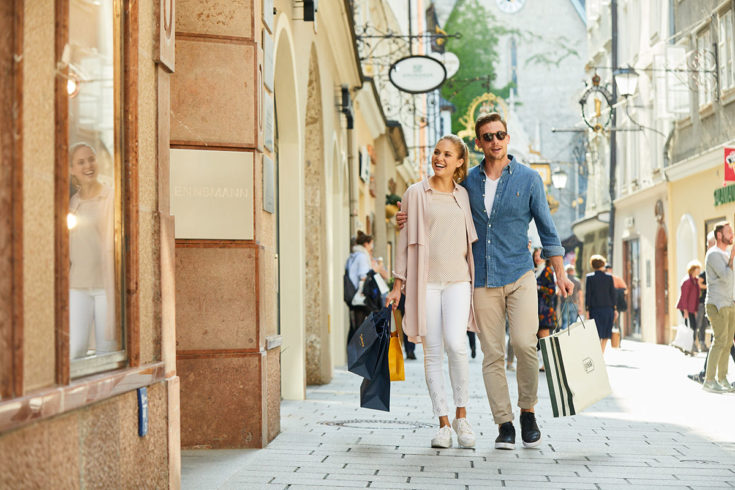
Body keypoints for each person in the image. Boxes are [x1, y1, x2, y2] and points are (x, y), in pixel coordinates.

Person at [396, 113, 573, 450]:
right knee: (492, 354)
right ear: (478, 143)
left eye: (500, 135)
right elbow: (435, 206)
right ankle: (504, 423)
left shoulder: (529, 179)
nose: (495, 141)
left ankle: (528, 412)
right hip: (482, 279)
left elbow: (548, 231)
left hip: (520, 273)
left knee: (524, 344)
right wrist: (404, 214)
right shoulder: (468, 186)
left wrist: (561, 273)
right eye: (487, 136)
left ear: (508, 139)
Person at [386, 135, 478, 449]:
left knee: (457, 344)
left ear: (459, 162)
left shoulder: (463, 196)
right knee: (432, 352)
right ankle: (442, 423)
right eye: (437, 152)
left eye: (447, 154)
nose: (439, 158)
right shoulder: (414, 193)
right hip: (424, 283)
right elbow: (404, 242)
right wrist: (398, 285)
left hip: (458, 280)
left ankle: (461, 416)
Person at [68, 142, 117, 359]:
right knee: (75, 350)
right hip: (77, 284)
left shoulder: (110, 196)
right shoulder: (74, 202)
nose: (88, 165)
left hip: (105, 286)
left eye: (91, 159)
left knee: (106, 352)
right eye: (81, 162)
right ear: (72, 169)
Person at [702, 221, 735, 393]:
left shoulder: (726, 254)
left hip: (729, 303)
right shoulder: (713, 254)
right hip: (717, 304)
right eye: (729, 231)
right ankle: (709, 380)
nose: (732, 234)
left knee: (728, 342)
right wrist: (732, 257)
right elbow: (725, 277)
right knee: (720, 340)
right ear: (720, 235)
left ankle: (722, 378)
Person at [345, 231, 376, 344]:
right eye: (371, 243)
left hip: (352, 295)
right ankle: (359, 354)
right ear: (366, 244)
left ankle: (352, 354)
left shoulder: (352, 256)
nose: (372, 246)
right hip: (360, 296)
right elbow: (363, 276)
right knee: (361, 326)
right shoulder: (362, 257)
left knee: (354, 327)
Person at [585, 255, 616, 353]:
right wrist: (615, 309)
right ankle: (601, 353)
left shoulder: (589, 278)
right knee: (606, 333)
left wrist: (587, 310)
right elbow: (613, 294)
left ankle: (598, 354)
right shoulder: (609, 277)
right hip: (608, 309)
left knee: (596, 333)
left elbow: (588, 295)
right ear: (603, 264)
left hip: (595, 310)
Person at [676, 261, 701, 348]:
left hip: (692, 308)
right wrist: (685, 311)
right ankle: (687, 345)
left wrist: (695, 310)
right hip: (685, 307)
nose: (699, 270)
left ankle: (690, 345)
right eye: (698, 269)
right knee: (688, 327)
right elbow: (684, 297)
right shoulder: (687, 281)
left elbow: (696, 297)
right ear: (693, 270)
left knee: (693, 327)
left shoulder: (695, 281)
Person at [561, 264, 583, 330]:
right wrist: (580, 306)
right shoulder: (577, 281)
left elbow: (559, 292)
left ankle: (564, 339)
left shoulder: (563, 280)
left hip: (565, 303)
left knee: (565, 322)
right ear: (573, 271)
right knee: (573, 323)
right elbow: (580, 295)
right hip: (574, 303)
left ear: (566, 271)